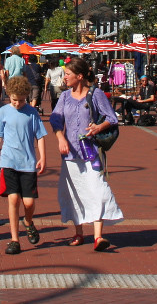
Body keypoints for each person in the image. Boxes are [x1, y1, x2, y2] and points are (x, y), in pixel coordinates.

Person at [49, 56, 123, 251]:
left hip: (90, 152)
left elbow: (112, 118)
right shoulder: (65, 96)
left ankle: (98, 236)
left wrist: (98, 127)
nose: (65, 77)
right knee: (74, 193)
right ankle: (79, 232)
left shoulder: (95, 94)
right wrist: (60, 138)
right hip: (70, 154)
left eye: (68, 74)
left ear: (79, 76)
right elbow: (55, 119)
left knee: (98, 189)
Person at [0, 76, 47, 255]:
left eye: (21, 100)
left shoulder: (32, 112)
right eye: (14, 100)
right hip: (9, 161)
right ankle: (14, 239)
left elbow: (40, 136)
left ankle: (28, 221)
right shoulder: (3, 111)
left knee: (29, 202)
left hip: (27, 163)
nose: (17, 103)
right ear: (9, 95)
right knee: (13, 199)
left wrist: (42, 157)